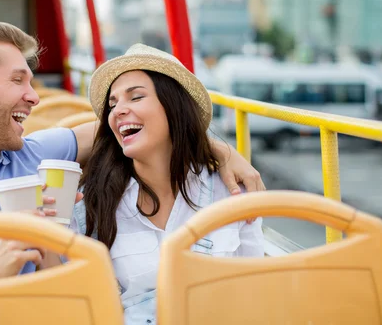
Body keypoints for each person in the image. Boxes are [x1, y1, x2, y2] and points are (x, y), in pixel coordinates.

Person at [0, 21, 265, 286]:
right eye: (18, 81)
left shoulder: (34, 155)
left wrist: (220, 150)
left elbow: (130, 126)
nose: (34, 97)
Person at [68, 44, 265, 324]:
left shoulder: (231, 192)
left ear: (173, 106)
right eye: (112, 104)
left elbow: (255, 292)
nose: (119, 110)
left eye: (135, 97)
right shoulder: (91, 200)